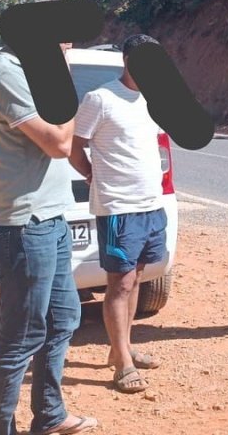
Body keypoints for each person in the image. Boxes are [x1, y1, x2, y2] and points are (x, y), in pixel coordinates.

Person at [0, 42, 97, 435]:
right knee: (22, 336)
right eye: (62, 41)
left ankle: (50, 414)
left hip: (48, 218)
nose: (67, 49)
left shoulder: (25, 72)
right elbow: (59, 143)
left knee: (63, 318)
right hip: (22, 226)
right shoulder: (5, 74)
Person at [68, 34, 167, 394]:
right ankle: (123, 363)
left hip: (150, 204)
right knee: (120, 283)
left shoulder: (152, 99)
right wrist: (92, 174)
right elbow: (74, 147)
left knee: (138, 278)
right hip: (118, 208)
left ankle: (121, 348)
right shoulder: (101, 99)